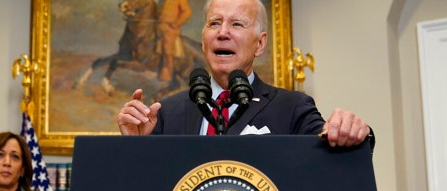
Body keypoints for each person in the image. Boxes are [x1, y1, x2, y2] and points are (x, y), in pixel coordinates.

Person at [118, 0, 372, 148]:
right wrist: (136, 146)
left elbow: (327, 149)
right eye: (214, 23)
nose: (222, 33)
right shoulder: (167, 113)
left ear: (260, 44)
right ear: (204, 40)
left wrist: (352, 132)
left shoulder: (292, 108)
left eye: (237, 24)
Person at [157, 0, 193, 81]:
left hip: (170, 29)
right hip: (160, 28)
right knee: (161, 52)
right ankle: (162, 74)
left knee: (168, 52)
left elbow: (187, 12)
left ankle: (169, 76)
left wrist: (176, 23)